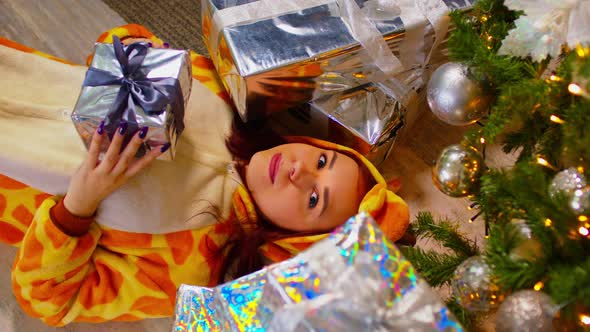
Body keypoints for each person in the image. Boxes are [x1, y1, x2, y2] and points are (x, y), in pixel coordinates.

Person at [0, 25, 411, 326]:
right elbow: (107, 53)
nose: (298, 171)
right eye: (323, 162)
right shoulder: (223, 96)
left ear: (293, 241)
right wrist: (133, 49)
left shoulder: (192, 269)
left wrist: (77, 207)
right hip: (16, 69)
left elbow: (50, 302)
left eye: (313, 200)